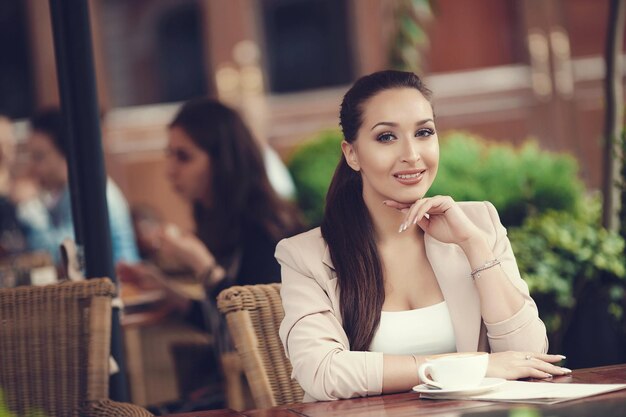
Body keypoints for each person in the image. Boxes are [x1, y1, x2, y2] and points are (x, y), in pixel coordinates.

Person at [275, 70, 570, 402]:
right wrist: (470, 366)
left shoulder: (478, 224)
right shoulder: (306, 255)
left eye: (424, 132)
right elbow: (322, 373)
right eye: (387, 137)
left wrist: (473, 246)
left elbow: (527, 357)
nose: (412, 154)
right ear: (352, 154)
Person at [118, 98, 304, 329]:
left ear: (221, 161)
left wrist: (201, 263)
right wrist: (169, 292)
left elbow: (257, 327)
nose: (170, 170)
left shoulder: (265, 227)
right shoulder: (218, 220)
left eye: (184, 157)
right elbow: (218, 324)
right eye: (170, 155)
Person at [17, 108, 139, 265]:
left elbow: (61, 256)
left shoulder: (89, 191)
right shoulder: (66, 191)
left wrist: (29, 205)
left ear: (68, 153)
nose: (32, 168)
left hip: (119, 286)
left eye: (39, 157)